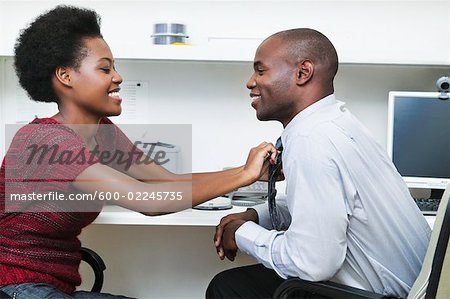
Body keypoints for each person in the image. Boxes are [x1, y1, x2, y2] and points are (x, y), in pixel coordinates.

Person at [0, 5, 279, 299]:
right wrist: (243, 176)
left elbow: (165, 181)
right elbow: (149, 201)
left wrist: (247, 172)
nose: (118, 77)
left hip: (52, 288)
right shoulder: (45, 141)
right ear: (65, 76)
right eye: (105, 68)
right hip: (16, 287)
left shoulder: (102, 133)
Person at [206, 28, 432, 298]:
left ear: (303, 73)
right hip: (414, 288)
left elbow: (311, 263)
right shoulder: (338, 123)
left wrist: (242, 233)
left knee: (228, 288)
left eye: (261, 71)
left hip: (381, 296)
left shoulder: (311, 139)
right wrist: (257, 215)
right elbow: (330, 206)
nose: (250, 82)